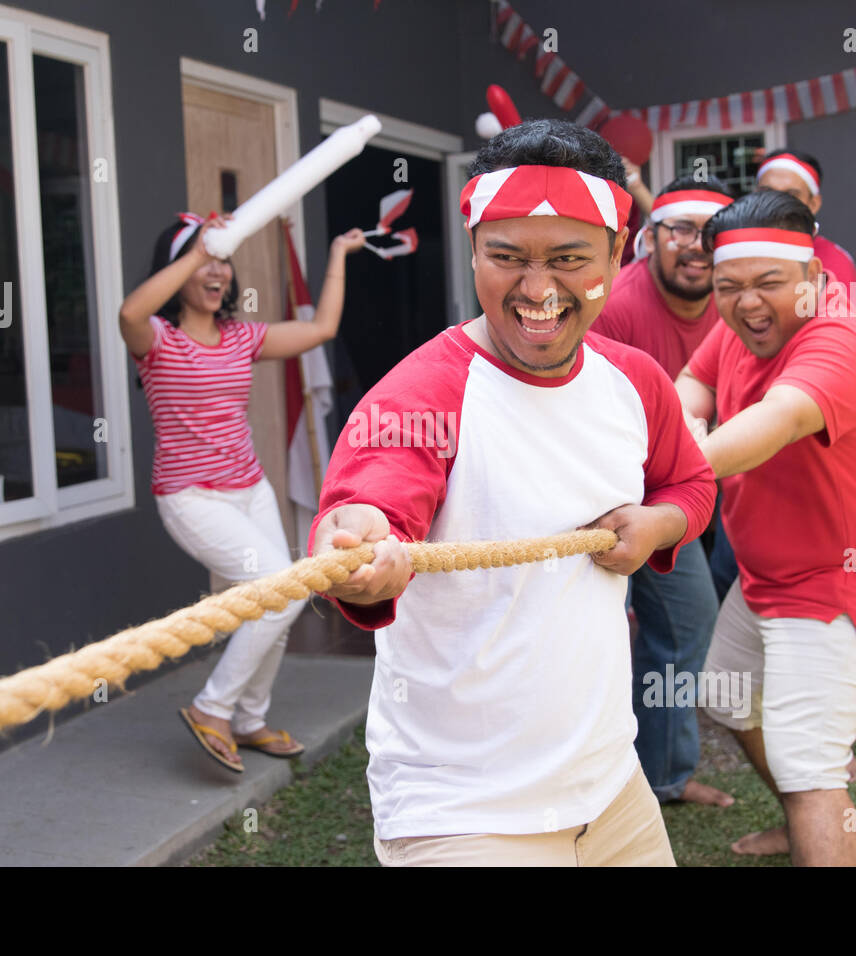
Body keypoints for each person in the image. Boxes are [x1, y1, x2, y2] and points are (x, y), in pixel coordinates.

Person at [309, 119, 717, 867]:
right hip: (462, 811)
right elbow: (369, 505)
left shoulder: (634, 382)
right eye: (506, 258)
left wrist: (659, 523)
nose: (537, 290)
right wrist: (362, 545)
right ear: (473, 252)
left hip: (610, 783)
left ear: (617, 257)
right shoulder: (423, 392)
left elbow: (691, 481)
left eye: (569, 260)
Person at [675, 190, 856, 865]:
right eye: (728, 288)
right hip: (766, 575)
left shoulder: (837, 337)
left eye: (769, 284)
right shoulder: (742, 324)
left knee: (809, 769)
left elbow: (773, 424)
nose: (747, 303)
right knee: (725, 694)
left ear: (811, 278)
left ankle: (815, 802)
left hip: (838, 580)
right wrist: (685, 422)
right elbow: (690, 384)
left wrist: (672, 465)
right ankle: (803, 809)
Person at [118, 212, 366, 773]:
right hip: (192, 497)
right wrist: (201, 246)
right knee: (282, 587)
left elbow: (322, 328)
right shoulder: (156, 338)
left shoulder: (240, 337)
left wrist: (338, 254)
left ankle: (250, 718)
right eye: (205, 261)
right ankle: (213, 708)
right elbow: (130, 310)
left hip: (250, 488)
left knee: (278, 596)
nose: (218, 272)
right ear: (178, 270)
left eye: (224, 261)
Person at [590, 176, 735, 810]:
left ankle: (660, 773)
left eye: (710, 233)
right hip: (616, 496)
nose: (696, 246)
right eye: (680, 230)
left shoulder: (734, 302)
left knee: (684, 625)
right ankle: (652, 774)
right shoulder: (619, 305)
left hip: (693, 486)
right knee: (682, 623)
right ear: (651, 239)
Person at [756, 148, 856, 296]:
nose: (776, 203)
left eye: (791, 195)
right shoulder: (737, 252)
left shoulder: (834, 262)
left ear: (814, 203)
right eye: (767, 192)